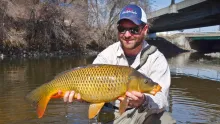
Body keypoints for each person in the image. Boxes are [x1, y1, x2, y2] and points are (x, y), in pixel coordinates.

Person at [59, 4, 176, 124]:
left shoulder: (157, 59)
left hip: (143, 113)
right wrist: (81, 97)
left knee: (166, 120)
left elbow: (161, 99)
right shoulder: (106, 55)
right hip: (112, 114)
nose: (127, 35)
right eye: (122, 29)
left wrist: (144, 100)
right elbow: (91, 91)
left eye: (134, 29)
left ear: (145, 30)